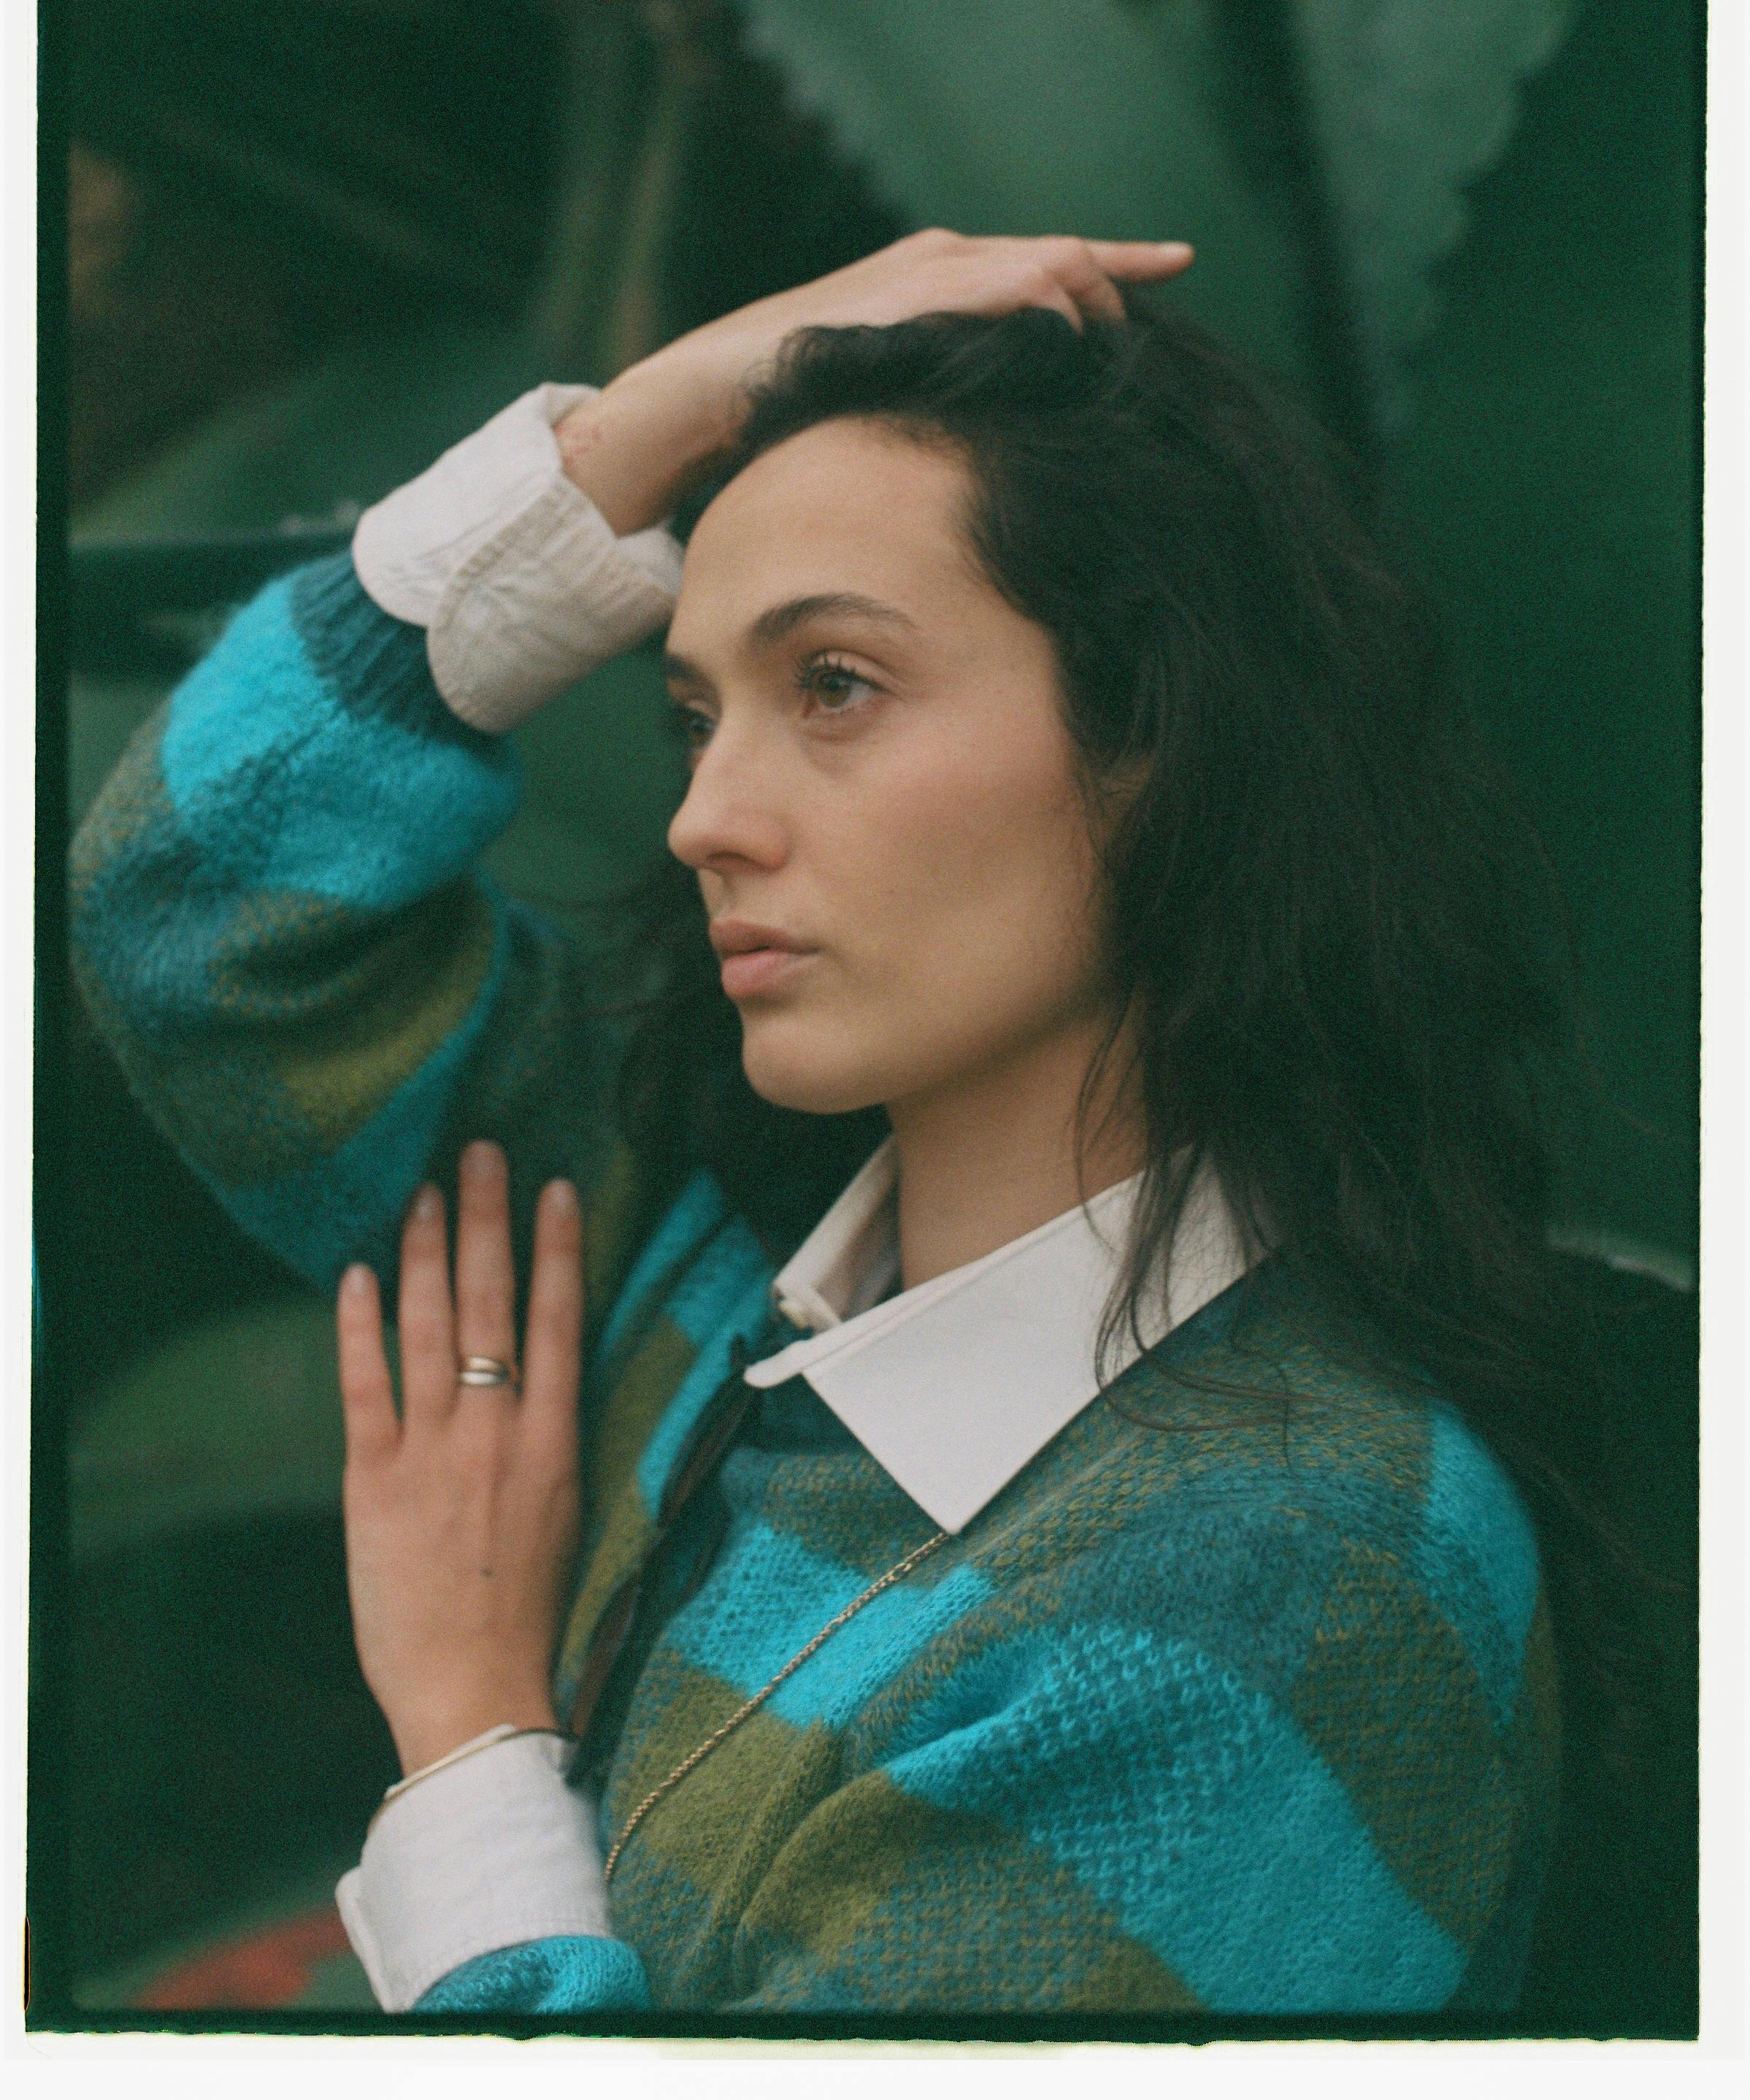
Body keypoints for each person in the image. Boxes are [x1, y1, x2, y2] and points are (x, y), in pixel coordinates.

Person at [71, 228, 1575, 2018]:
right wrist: (640, 424)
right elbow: (194, 904)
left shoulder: (1280, 1594)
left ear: (1161, 739)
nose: (704, 813)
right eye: (694, 717)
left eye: (833, 687)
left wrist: (470, 1745)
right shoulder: (688, 1244)